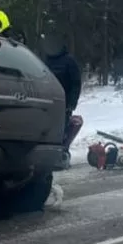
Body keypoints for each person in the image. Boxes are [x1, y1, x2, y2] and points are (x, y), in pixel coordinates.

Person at [42, 33, 82, 169]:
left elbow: (76, 83)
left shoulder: (69, 61)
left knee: (60, 130)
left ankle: (61, 154)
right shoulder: (45, 61)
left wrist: (71, 103)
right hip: (46, 101)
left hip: (63, 103)